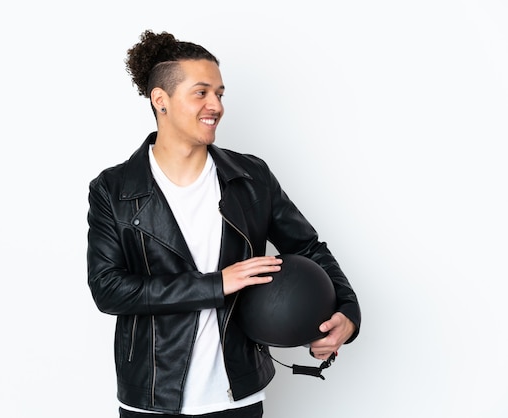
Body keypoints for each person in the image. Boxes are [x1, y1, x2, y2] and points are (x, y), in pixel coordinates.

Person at [87, 30, 361, 418]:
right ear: (160, 100)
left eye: (220, 93)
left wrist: (348, 310)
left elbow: (307, 248)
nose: (215, 105)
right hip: (152, 399)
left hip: (238, 396)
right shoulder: (114, 189)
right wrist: (217, 283)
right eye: (201, 92)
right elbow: (109, 289)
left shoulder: (250, 177)